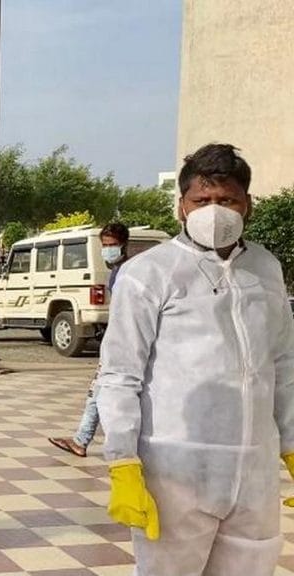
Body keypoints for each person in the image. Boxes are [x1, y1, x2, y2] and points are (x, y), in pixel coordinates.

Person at [97, 144, 294, 575]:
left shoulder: (265, 268)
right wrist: (122, 460)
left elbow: (283, 366)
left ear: (247, 204)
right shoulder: (150, 272)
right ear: (182, 207)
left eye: (227, 200)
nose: (215, 211)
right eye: (202, 200)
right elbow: (119, 374)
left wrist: (292, 446)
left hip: (254, 470)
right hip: (176, 470)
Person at [49, 222, 130, 458]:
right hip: (116, 341)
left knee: (104, 392)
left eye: (112, 245)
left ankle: (87, 440)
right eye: (105, 245)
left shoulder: (127, 272)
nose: (108, 250)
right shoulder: (117, 271)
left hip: (124, 343)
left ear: (124, 245)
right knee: (97, 391)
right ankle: (81, 439)